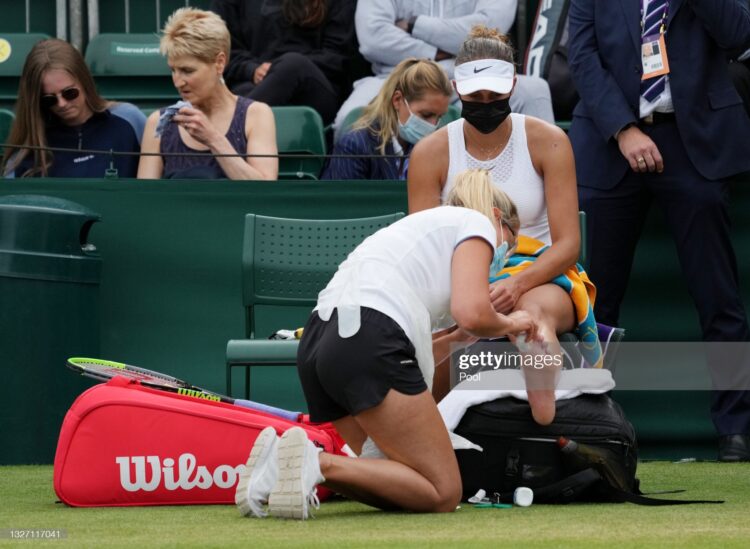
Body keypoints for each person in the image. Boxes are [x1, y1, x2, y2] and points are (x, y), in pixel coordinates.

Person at [233, 169, 542, 520]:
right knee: (443, 491)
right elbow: (472, 313)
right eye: (510, 245)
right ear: (499, 219)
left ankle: (274, 468)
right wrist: (514, 322)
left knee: (393, 473)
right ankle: (316, 462)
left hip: (320, 342)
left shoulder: (424, 239)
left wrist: (457, 339)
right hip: (366, 339)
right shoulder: (478, 223)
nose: (501, 259)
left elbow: (421, 345)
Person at [567, 0, 750, 462]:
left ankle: (736, 427)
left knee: (719, 298)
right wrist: (623, 130)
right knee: (592, 299)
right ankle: (592, 421)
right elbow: (583, 58)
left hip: (696, 144)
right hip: (611, 144)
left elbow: (738, 35)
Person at [408, 25, 581, 424]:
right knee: (441, 330)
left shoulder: (549, 141)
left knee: (530, 312)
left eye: (495, 95)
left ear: (513, 85)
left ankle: (544, 421)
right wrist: (471, 291)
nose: (485, 103)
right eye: (475, 96)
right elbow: (425, 246)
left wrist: (516, 283)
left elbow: (569, 243)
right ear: (456, 88)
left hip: (540, 275)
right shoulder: (429, 153)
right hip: (457, 278)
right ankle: (424, 432)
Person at [334, 0, 555, 140]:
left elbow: (487, 31)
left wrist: (414, 24)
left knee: (534, 91)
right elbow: (373, 37)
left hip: (471, 75)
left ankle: (540, 203)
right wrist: (437, 52)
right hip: (395, 76)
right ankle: (361, 210)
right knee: (349, 118)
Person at [138, 7, 277, 181]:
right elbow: (146, 198)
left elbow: (265, 193)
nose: (177, 82)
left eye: (187, 71)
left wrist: (213, 139)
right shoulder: (159, 122)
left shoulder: (256, 115)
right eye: (173, 70)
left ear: (219, 63)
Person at [2, 38, 145, 179]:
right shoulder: (27, 150)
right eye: (49, 99)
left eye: (69, 93)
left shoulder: (129, 119)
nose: (61, 104)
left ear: (84, 81)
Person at [209, 0, 356, 126]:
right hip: (254, 83)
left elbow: (337, 56)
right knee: (239, 94)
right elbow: (221, 50)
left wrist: (278, 70)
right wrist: (251, 69)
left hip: (315, 90)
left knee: (293, 65)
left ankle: (228, 131)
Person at [320, 58, 451, 180]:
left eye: (439, 117)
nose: (433, 125)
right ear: (397, 100)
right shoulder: (355, 146)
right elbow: (344, 204)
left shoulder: (437, 149)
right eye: (426, 114)